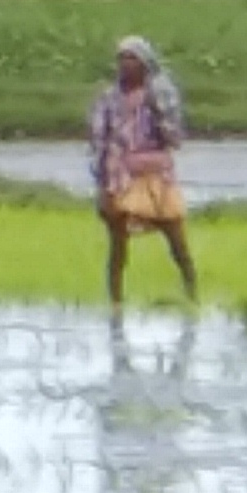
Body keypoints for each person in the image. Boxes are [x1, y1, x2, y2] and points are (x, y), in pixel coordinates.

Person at [89, 36, 196, 309]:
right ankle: (115, 301)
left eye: (132, 58)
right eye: (122, 59)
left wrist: (159, 112)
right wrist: (102, 181)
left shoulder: (159, 94)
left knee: (176, 239)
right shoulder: (109, 98)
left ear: (145, 63)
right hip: (120, 176)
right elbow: (99, 140)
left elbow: (174, 137)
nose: (126, 64)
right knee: (118, 245)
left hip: (155, 176)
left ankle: (192, 293)